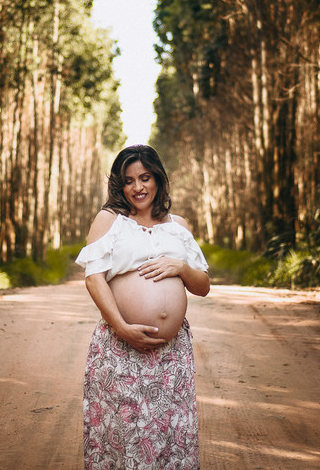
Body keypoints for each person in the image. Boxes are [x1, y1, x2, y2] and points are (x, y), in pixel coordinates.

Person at [76, 144, 211, 470]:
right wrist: (122, 327)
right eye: (129, 180)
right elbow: (94, 278)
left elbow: (203, 286)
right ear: (119, 185)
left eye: (145, 178)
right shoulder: (110, 220)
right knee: (126, 436)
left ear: (158, 179)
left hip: (171, 357)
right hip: (122, 350)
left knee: (171, 434)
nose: (138, 187)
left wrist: (181, 267)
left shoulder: (179, 225)